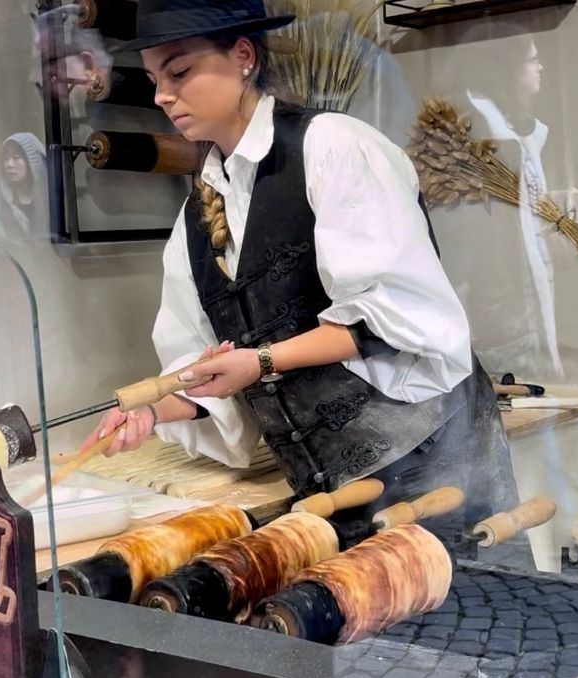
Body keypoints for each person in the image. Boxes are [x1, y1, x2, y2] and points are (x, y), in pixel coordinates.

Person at [81, 0, 524, 553]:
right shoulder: (198, 215)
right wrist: (149, 410)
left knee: (479, 625)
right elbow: (207, 368)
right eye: (152, 79)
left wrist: (260, 361)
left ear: (243, 56)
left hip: (431, 460)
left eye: (179, 71)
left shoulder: (333, 147)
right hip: (327, 490)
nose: (162, 96)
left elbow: (397, 320)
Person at [435, 25, 578, 382]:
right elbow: (473, 238)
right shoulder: (484, 138)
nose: (540, 68)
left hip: (511, 324)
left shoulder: (507, 134)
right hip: (503, 332)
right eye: (533, 60)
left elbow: (511, 217)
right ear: (505, 70)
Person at [0, 133, 48, 235]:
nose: (9, 164)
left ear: (33, 161)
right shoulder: (1, 204)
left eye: (16, 157)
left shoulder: (50, 203)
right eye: (6, 159)